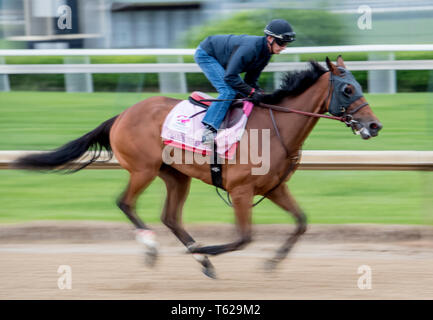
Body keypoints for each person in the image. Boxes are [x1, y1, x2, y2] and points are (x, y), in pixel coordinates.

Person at [194, 19, 296, 145]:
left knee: (244, 93)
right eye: (281, 43)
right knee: (228, 91)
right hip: (207, 54)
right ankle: (209, 130)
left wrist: (260, 94)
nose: (284, 47)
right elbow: (230, 77)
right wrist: (253, 92)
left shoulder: (266, 53)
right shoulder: (250, 49)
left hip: (223, 57)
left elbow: (250, 81)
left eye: (286, 44)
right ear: (270, 38)